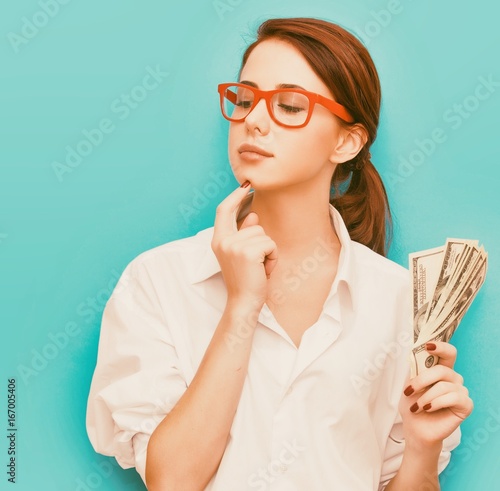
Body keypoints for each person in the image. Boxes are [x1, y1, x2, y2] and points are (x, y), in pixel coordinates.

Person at [86, 17, 472, 491]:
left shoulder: (397, 301)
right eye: (245, 99)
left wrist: (422, 449)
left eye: (289, 105)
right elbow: (172, 481)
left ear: (347, 141)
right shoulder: (159, 281)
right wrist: (242, 306)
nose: (254, 119)